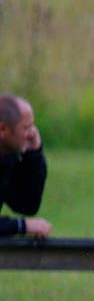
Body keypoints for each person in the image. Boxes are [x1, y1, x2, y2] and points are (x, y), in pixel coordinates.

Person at [0, 94, 50, 240]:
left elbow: (26, 205)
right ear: (3, 129)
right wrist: (22, 225)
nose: (32, 134)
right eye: (26, 127)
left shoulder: (6, 156)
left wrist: (35, 154)